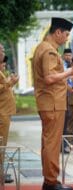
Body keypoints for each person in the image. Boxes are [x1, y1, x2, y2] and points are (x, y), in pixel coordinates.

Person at [32, 17, 73, 190]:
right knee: (52, 144)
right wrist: (71, 71)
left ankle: (50, 180)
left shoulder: (44, 48)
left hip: (50, 102)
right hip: (52, 103)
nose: (67, 38)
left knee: (49, 143)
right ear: (58, 32)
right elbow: (49, 78)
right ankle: (51, 182)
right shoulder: (49, 51)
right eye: (66, 34)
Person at [0, 45, 19, 184]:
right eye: (1, 51)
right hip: (1, 113)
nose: (3, 53)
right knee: (1, 144)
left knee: (2, 144)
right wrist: (9, 83)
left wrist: (10, 83)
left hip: (5, 111)